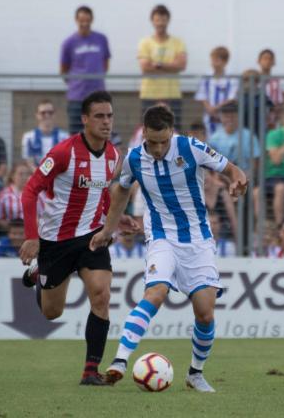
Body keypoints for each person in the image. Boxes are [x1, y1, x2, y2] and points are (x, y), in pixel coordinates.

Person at [89, 104, 248, 393]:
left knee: (205, 313)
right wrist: (108, 230)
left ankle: (195, 374)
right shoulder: (135, 158)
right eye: (153, 142)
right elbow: (122, 189)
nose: (159, 148)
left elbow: (231, 169)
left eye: (164, 142)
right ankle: (120, 362)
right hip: (161, 236)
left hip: (199, 240)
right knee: (156, 292)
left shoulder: (191, 147)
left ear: (172, 133)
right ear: (144, 134)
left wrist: (239, 179)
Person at [18, 91, 135, 386]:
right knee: (51, 313)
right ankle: (39, 272)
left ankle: (90, 371)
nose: (106, 122)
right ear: (85, 119)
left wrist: (115, 218)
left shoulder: (113, 156)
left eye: (109, 116)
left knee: (101, 294)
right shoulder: (62, 153)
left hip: (93, 237)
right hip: (56, 241)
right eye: (99, 116)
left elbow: (103, 195)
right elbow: (29, 191)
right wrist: (32, 238)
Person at [61, 6, 111, 135]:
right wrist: (76, 83)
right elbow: (64, 69)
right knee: (76, 134)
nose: (84, 24)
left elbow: (105, 63)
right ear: (76, 20)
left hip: (98, 96)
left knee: (99, 133)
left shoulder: (101, 39)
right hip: (77, 97)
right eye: (82, 20)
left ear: (92, 20)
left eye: (87, 20)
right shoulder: (69, 42)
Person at [138, 5, 187, 127]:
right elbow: (144, 67)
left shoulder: (178, 42)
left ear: (168, 20)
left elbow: (181, 65)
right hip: (149, 95)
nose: (160, 23)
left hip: (172, 95)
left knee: (174, 132)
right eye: (157, 20)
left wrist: (158, 65)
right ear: (152, 21)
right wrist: (171, 66)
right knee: (149, 132)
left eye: (163, 20)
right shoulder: (145, 43)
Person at [209, 101, 261, 175]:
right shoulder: (214, 139)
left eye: (233, 116)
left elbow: (255, 164)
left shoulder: (250, 136)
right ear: (221, 118)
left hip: (245, 177)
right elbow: (211, 165)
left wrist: (243, 178)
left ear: (239, 117)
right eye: (226, 116)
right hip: (222, 178)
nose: (230, 119)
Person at [195, 46, 238, 135]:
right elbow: (202, 96)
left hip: (226, 117)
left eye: (216, 60)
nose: (213, 63)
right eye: (212, 60)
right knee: (210, 140)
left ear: (225, 62)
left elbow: (232, 97)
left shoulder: (232, 78)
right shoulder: (206, 77)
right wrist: (209, 108)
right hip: (209, 117)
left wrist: (216, 108)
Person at [21, 100, 70, 170]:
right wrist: (41, 177)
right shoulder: (28, 137)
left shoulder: (65, 137)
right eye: (43, 113)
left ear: (54, 115)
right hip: (37, 177)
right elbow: (29, 163)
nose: (47, 115)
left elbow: (66, 160)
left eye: (50, 113)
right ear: (37, 115)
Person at [0, 161, 33, 230]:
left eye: (27, 174)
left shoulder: (37, 193)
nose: (24, 177)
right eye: (21, 174)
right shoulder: (4, 194)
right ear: (12, 176)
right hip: (12, 233)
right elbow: (0, 218)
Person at [257, 49, 284, 128]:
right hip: (257, 120)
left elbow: (280, 102)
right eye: (265, 58)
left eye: (270, 59)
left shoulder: (276, 82)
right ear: (259, 61)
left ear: (273, 62)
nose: (267, 61)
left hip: (272, 122)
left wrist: (275, 115)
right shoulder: (254, 80)